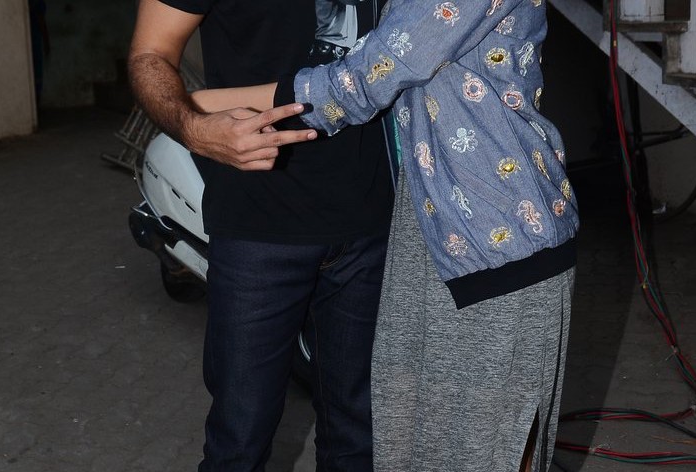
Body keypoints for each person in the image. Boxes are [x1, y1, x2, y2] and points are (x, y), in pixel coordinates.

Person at [190, 0, 579, 470]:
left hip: (502, 236)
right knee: (413, 445)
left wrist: (194, 110)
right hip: (434, 235)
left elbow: (365, 79)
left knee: (490, 448)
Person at [127, 0, 394, 471]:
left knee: (359, 437)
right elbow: (151, 53)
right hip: (258, 228)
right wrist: (194, 129)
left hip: (374, 222)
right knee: (240, 440)